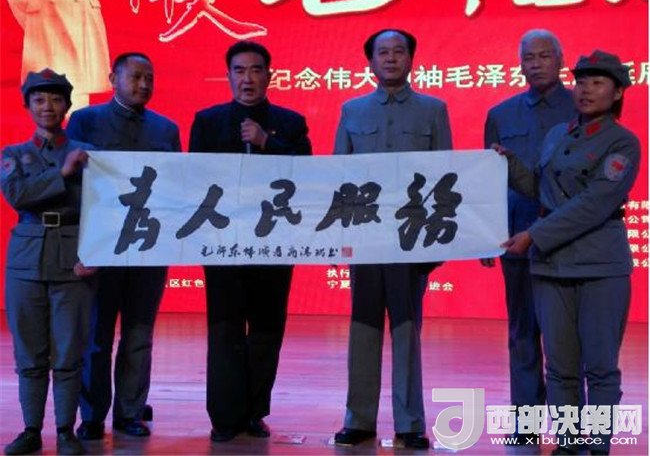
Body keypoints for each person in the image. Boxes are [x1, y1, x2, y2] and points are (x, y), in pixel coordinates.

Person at [498, 50, 640, 455]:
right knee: (559, 366)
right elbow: (541, 189)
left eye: (597, 82)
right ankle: (567, 441)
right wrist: (508, 164)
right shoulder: (558, 134)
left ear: (617, 93)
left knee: (600, 366)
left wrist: (534, 235)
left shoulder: (623, 142)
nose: (585, 90)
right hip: (551, 265)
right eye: (580, 82)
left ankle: (596, 444)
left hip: (599, 265)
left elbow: (593, 204)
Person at [332, 29, 452, 449]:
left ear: (411, 60)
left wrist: (437, 244)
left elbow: (445, 177)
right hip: (365, 237)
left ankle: (410, 422)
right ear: (370, 62)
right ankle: (359, 419)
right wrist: (338, 238)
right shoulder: (352, 110)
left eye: (399, 51)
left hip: (411, 239)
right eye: (382, 52)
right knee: (363, 327)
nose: (391, 58)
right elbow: (338, 176)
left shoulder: (433, 110)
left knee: (407, 329)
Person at [188, 41, 312, 442]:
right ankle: (225, 418)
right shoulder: (207, 122)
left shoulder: (290, 123)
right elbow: (194, 179)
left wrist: (266, 143)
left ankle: (255, 412)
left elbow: (310, 177)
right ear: (228, 76)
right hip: (223, 242)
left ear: (269, 76)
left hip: (275, 242)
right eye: (239, 70)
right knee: (224, 329)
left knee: (266, 329)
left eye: (256, 70)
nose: (247, 79)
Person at [66, 52, 181, 439]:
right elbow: (75, 185)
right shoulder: (85, 120)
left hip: (149, 248)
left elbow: (177, 185)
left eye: (150, 78)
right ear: (113, 78)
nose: (144, 85)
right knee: (95, 337)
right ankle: (92, 416)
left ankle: (130, 413)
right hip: (101, 246)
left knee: (138, 335)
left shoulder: (166, 129)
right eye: (135, 77)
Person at [481, 29, 576, 444]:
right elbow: (488, 181)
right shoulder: (500, 114)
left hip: (568, 241)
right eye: (528, 58)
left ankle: (571, 427)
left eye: (544, 56)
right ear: (519, 64)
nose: (536, 64)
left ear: (560, 60)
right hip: (516, 239)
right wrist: (486, 234)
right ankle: (526, 423)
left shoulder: (581, 106)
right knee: (522, 334)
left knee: (566, 339)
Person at [1, 69, 97, 455]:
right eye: (39, 100)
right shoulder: (12, 154)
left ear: (67, 106)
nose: (47, 106)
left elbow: (104, 209)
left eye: (56, 99)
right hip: (25, 260)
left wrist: (95, 254)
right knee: (30, 352)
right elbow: (17, 195)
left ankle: (65, 431)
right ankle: (30, 430)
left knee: (70, 351)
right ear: (27, 106)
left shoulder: (87, 153)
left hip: (74, 259)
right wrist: (63, 173)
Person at [7, 0, 111, 112]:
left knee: (77, 97)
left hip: (80, 35)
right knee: (49, 94)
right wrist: (34, 26)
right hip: (49, 40)